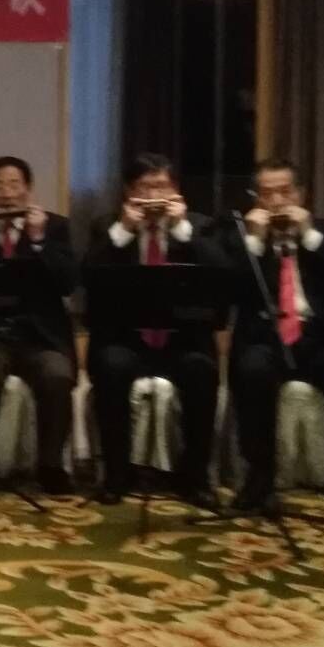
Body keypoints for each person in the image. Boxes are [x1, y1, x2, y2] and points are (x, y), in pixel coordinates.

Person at [220, 158, 324, 511]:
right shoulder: (241, 235)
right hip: (265, 338)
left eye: (285, 192)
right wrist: (255, 242)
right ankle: (260, 477)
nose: (277, 201)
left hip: (319, 339)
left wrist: (310, 237)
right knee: (252, 370)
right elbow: (228, 291)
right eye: (267, 193)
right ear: (257, 198)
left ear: (301, 195)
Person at [83, 152, 225, 508]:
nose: (152, 195)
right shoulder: (107, 225)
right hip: (126, 338)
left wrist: (181, 230)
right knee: (111, 367)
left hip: (182, 339)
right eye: (144, 187)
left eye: (160, 186)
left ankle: (194, 478)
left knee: (201, 370)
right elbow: (85, 276)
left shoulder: (200, 225)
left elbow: (224, 273)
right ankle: (116, 476)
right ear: (129, 192)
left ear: (175, 189)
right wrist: (123, 231)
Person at [0, 155, 78, 495]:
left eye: (14, 184)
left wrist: (38, 241)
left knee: (57, 375)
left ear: (28, 189)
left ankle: (51, 466)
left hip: (40, 336)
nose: (7, 194)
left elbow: (67, 283)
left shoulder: (55, 227)